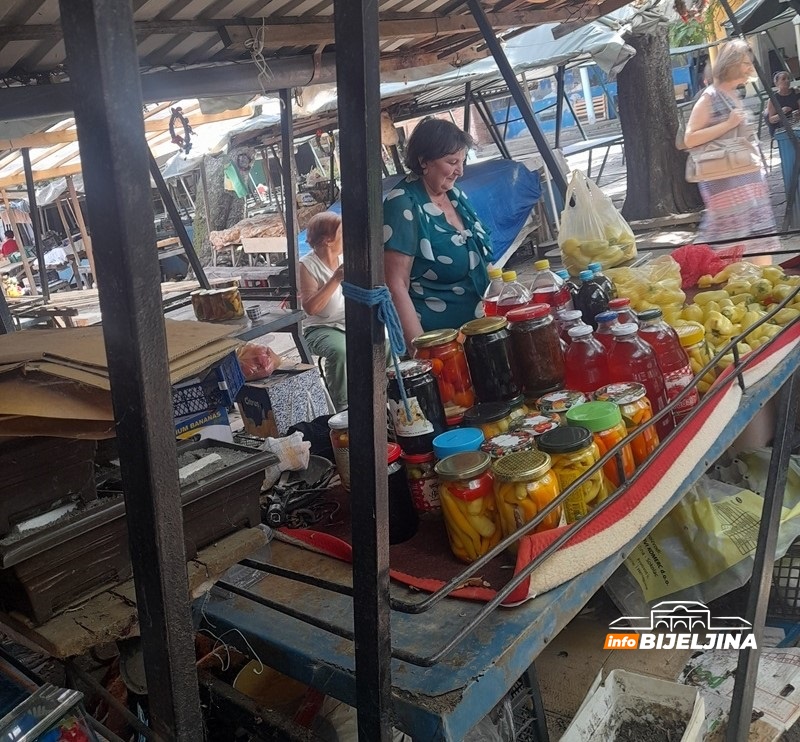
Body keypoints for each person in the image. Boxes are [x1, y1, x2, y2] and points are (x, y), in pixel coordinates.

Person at [383, 118, 492, 350]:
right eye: (451, 162)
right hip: (442, 344)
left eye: (462, 161)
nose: (460, 171)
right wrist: (422, 353)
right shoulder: (403, 203)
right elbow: (395, 284)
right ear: (424, 161)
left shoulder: (455, 196)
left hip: (480, 333)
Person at [684, 40, 779, 260]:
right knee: (731, 241)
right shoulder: (710, 97)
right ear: (731, 64)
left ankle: (764, 284)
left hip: (749, 180)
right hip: (725, 181)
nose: (749, 68)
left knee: (758, 238)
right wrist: (727, 124)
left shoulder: (734, 94)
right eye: (745, 63)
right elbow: (690, 138)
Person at [299, 211, 348, 411]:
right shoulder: (307, 265)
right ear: (327, 240)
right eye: (342, 233)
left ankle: (388, 393)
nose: (347, 237)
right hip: (319, 328)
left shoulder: (345, 257)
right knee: (341, 350)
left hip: (348, 322)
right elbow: (310, 308)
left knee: (384, 341)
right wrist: (335, 279)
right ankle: (343, 407)